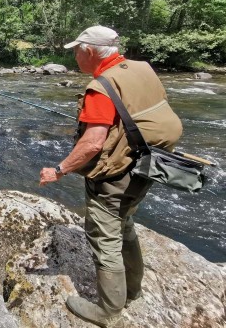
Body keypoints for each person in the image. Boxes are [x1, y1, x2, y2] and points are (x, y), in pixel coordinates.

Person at [39, 25, 182, 328]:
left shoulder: (100, 88)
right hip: (147, 164)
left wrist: (59, 170)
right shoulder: (141, 68)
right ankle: (132, 289)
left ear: (89, 52)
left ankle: (108, 310)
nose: (75, 55)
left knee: (104, 236)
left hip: (117, 175)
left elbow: (92, 144)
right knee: (124, 222)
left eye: (77, 50)